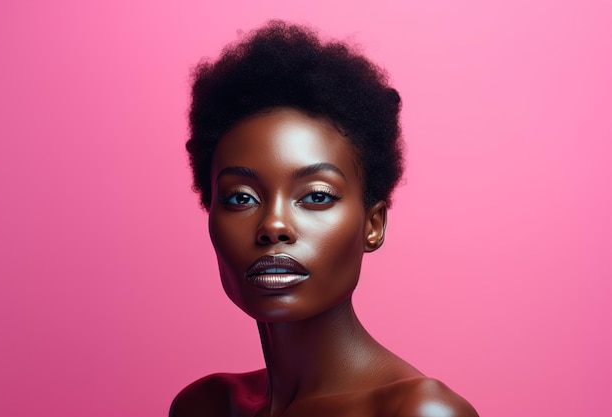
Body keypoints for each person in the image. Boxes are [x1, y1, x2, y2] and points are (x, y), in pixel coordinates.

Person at [170, 21, 478, 417]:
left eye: (316, 196)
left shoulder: (415, 411)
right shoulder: (205, 406)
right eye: (241, 197)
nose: (273, 226)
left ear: (373, 224)